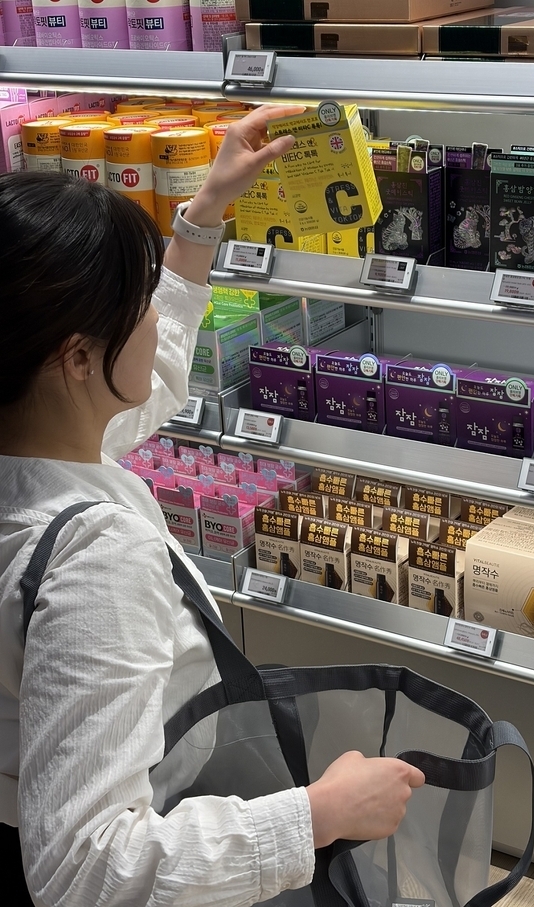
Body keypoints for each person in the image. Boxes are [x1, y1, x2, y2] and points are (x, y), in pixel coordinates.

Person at [0, 105, 425, 907]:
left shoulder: (36, 434)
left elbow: (145, 380)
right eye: (137, 301)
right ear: (76, 358)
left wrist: (204, 211)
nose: (154, 315)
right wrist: (318, 815)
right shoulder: (97, 561)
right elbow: (85, 867)